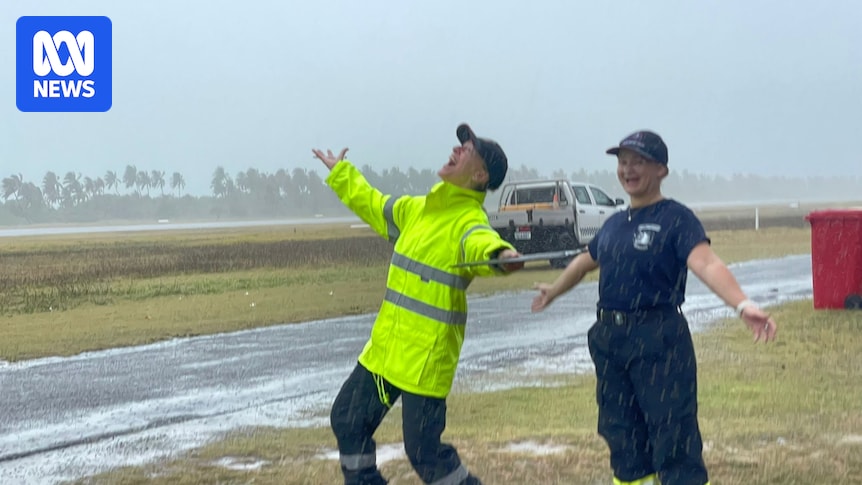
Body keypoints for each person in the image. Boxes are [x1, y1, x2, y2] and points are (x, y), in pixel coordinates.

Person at [531, 130, 778, 485]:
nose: (628, 170)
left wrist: (742, 305)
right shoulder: (615, 223)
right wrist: (553, 291)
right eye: (623, 162)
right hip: (610, 339)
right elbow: (585, 261)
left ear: (661, 169)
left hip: (658, 339)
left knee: (673, 434)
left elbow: (706, 263)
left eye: (639, 162)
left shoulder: (676, 218)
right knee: (621, 434)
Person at [313, 123, 524, 485]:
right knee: (348, 419)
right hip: (386, 352)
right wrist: (342, 172)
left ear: (479, 174)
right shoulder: (418, 209)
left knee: (425, 452)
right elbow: (374, 203)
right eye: (459, 146)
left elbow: (481, 244)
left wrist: (500, 255)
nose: (456, 151)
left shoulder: (469, 222)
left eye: (467, 150)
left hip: (426, 359)